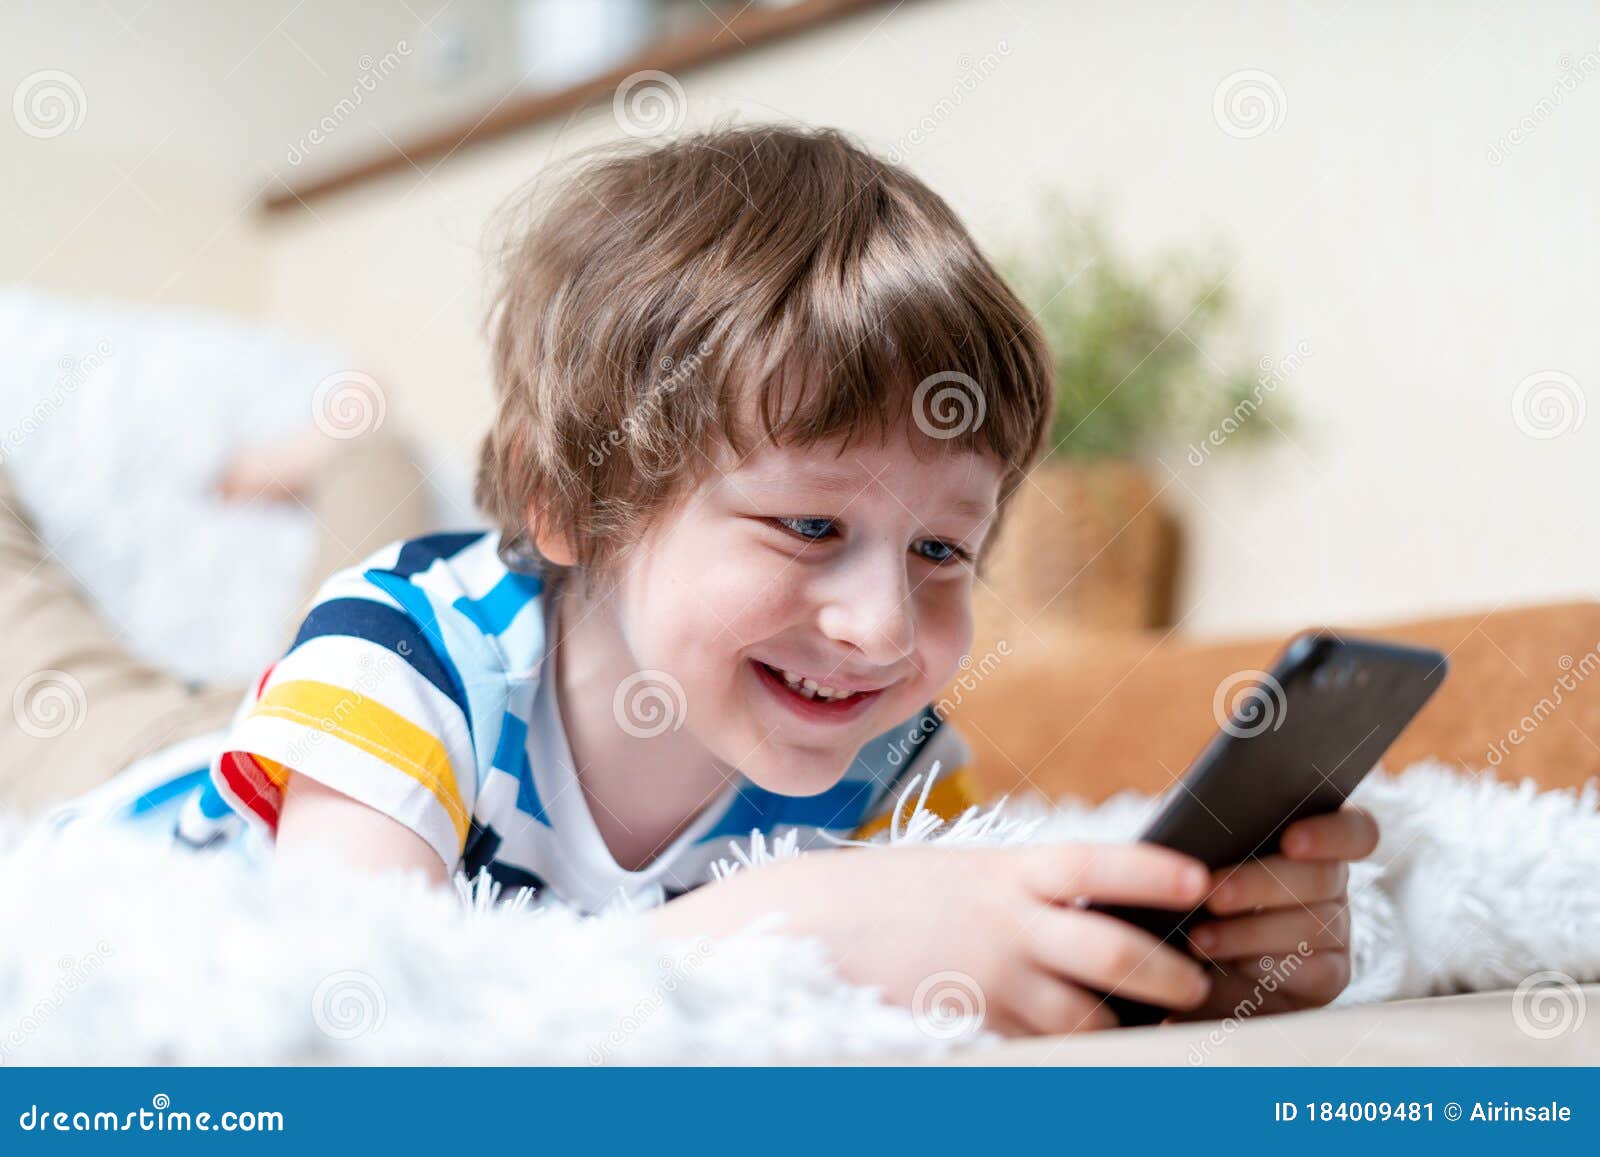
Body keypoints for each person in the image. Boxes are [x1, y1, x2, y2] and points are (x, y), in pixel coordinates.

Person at [11, 125, 1374, 1037]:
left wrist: (1180, 970)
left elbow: (942, 970)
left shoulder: (892, 756)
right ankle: (357, 446)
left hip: (336, 729)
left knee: (329, 560)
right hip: (168, 769)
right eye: (804, 527)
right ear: (574, 510)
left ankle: (348, 444)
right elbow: (366, 1005)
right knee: (40, 641)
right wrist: (793, 920)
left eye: (941, 550)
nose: (882, 627)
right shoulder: (399, 647)